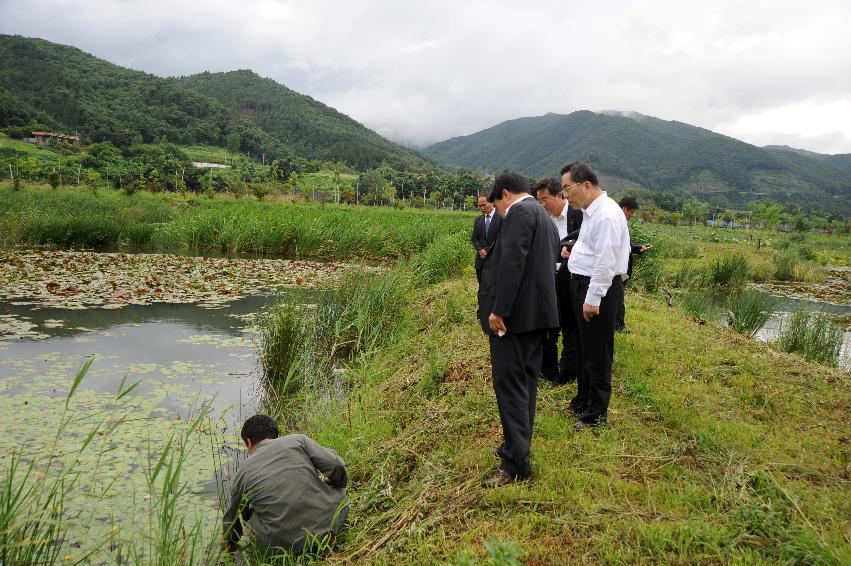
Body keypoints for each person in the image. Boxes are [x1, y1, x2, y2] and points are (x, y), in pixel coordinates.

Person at [477, 171, 559, 487]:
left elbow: (512, 264)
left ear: (506, 195)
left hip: (514, 321)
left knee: (510, 387)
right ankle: (518, 448)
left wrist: (499, 310)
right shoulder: (545, 217)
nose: (498, 212)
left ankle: (514, 464)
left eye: (496, 206)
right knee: (525, 386)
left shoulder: (519, 213)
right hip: (537, 318)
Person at [562, 161, 630, 429]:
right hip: (583, 284)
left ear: (586, 185)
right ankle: (584, 399)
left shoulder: (607, 214)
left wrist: (592, 298)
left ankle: (596, 414)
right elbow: (592, 248)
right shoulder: (592, 212)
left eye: (568, 189)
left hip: (597, 289)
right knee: (585, 347)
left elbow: (605, 261)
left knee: (598, 353)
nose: (566, 195)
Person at [221, 415, 348, 556]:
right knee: (338, 488)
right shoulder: (298, 440)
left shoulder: (243, 471)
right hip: (329, 527)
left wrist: (229, 541)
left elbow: (234, 517)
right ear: (276, 435)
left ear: (249, 443)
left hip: (280, 550)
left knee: (251, 512)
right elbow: (337, 466)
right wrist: (334, 482)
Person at [535, 178, 583, 384]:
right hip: (548, 280)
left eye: (545, 199)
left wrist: (567, 247)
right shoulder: (543, 219)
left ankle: (568, 372)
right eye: (539, 201)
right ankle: (548, 370)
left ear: (560, 195)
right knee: (548, 326)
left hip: (571, 281)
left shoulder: (578, 215)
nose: (543, 205)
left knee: (570, 327)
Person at [616, 196, 648, 332]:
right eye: (632, 212)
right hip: (617, 270)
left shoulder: (622, 223)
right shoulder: (615, 222)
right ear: (624, 209)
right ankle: (619, 325)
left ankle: (616, 323)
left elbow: (627, 246)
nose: (633, 215)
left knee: (618, 296)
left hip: (623, 270)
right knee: (618, 298)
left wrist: (637, 248)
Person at [471, 195, 501, 283]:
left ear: (492, 202)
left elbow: (501, 238)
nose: (482, 208)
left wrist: (487, 250)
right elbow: (474, 238)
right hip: (481, 262)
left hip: (495, 261)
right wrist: (480, 250)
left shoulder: (501, 217)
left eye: (484, 205)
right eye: (480, 206)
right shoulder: (478, 220)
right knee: (482, 289)